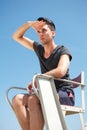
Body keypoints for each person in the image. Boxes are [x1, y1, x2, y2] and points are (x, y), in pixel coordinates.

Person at [12, 17, 75, 130]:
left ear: (53, 33)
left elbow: (61, 71)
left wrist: (37, 79)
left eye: (44, 30)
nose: (41, 34)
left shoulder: (63, 50)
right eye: (38, 31)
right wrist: (29, 24)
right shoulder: (39, 49)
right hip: (46, 93)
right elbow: (16, 36)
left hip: (64, 93)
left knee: (33, 99)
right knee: (17, 99)